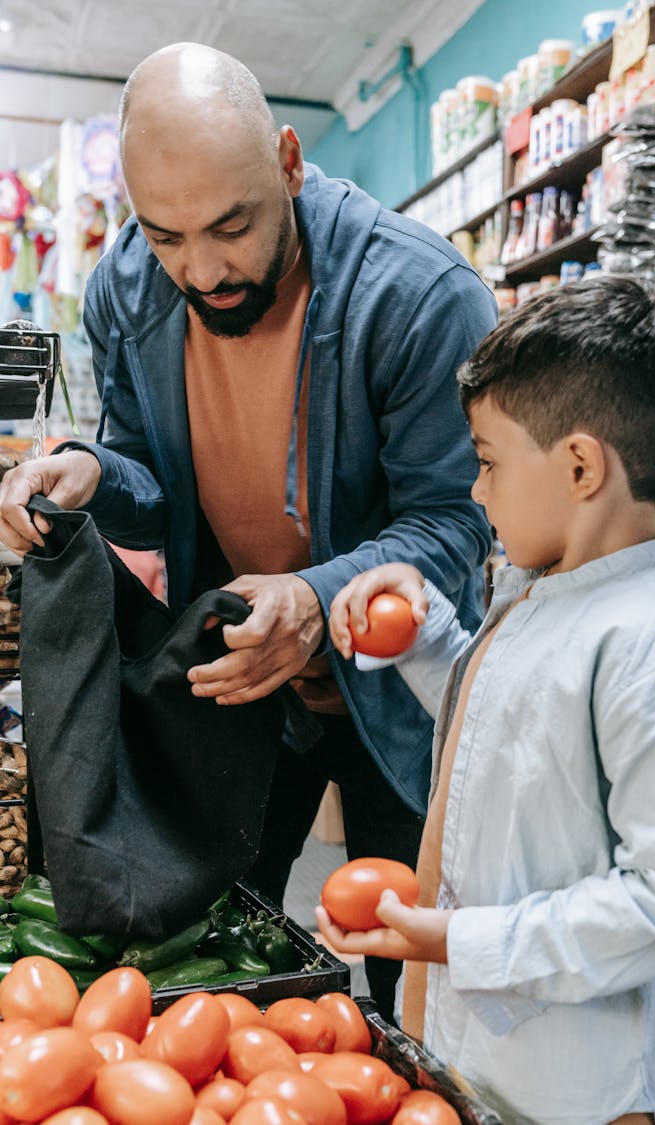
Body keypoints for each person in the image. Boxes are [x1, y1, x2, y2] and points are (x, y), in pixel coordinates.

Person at [0, 43, 496, 1018]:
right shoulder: (126, 289)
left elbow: (453, 524)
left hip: (402, 700)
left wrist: (314, 600)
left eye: (232, 225)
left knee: (416, 989)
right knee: (217, 959)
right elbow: (153, 480)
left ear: (288, 160)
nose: (204, 268)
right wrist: (95, 472)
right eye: (167, 236)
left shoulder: (419, 298)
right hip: (233, 686)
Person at [318, 276, 655, 1125]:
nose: (476, 492)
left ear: (581, 465)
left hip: (592, 1097)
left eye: (487, 461)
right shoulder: (545, 594)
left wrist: (457, 940)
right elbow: (507, 732)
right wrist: (427, 635)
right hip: (499, 1068)